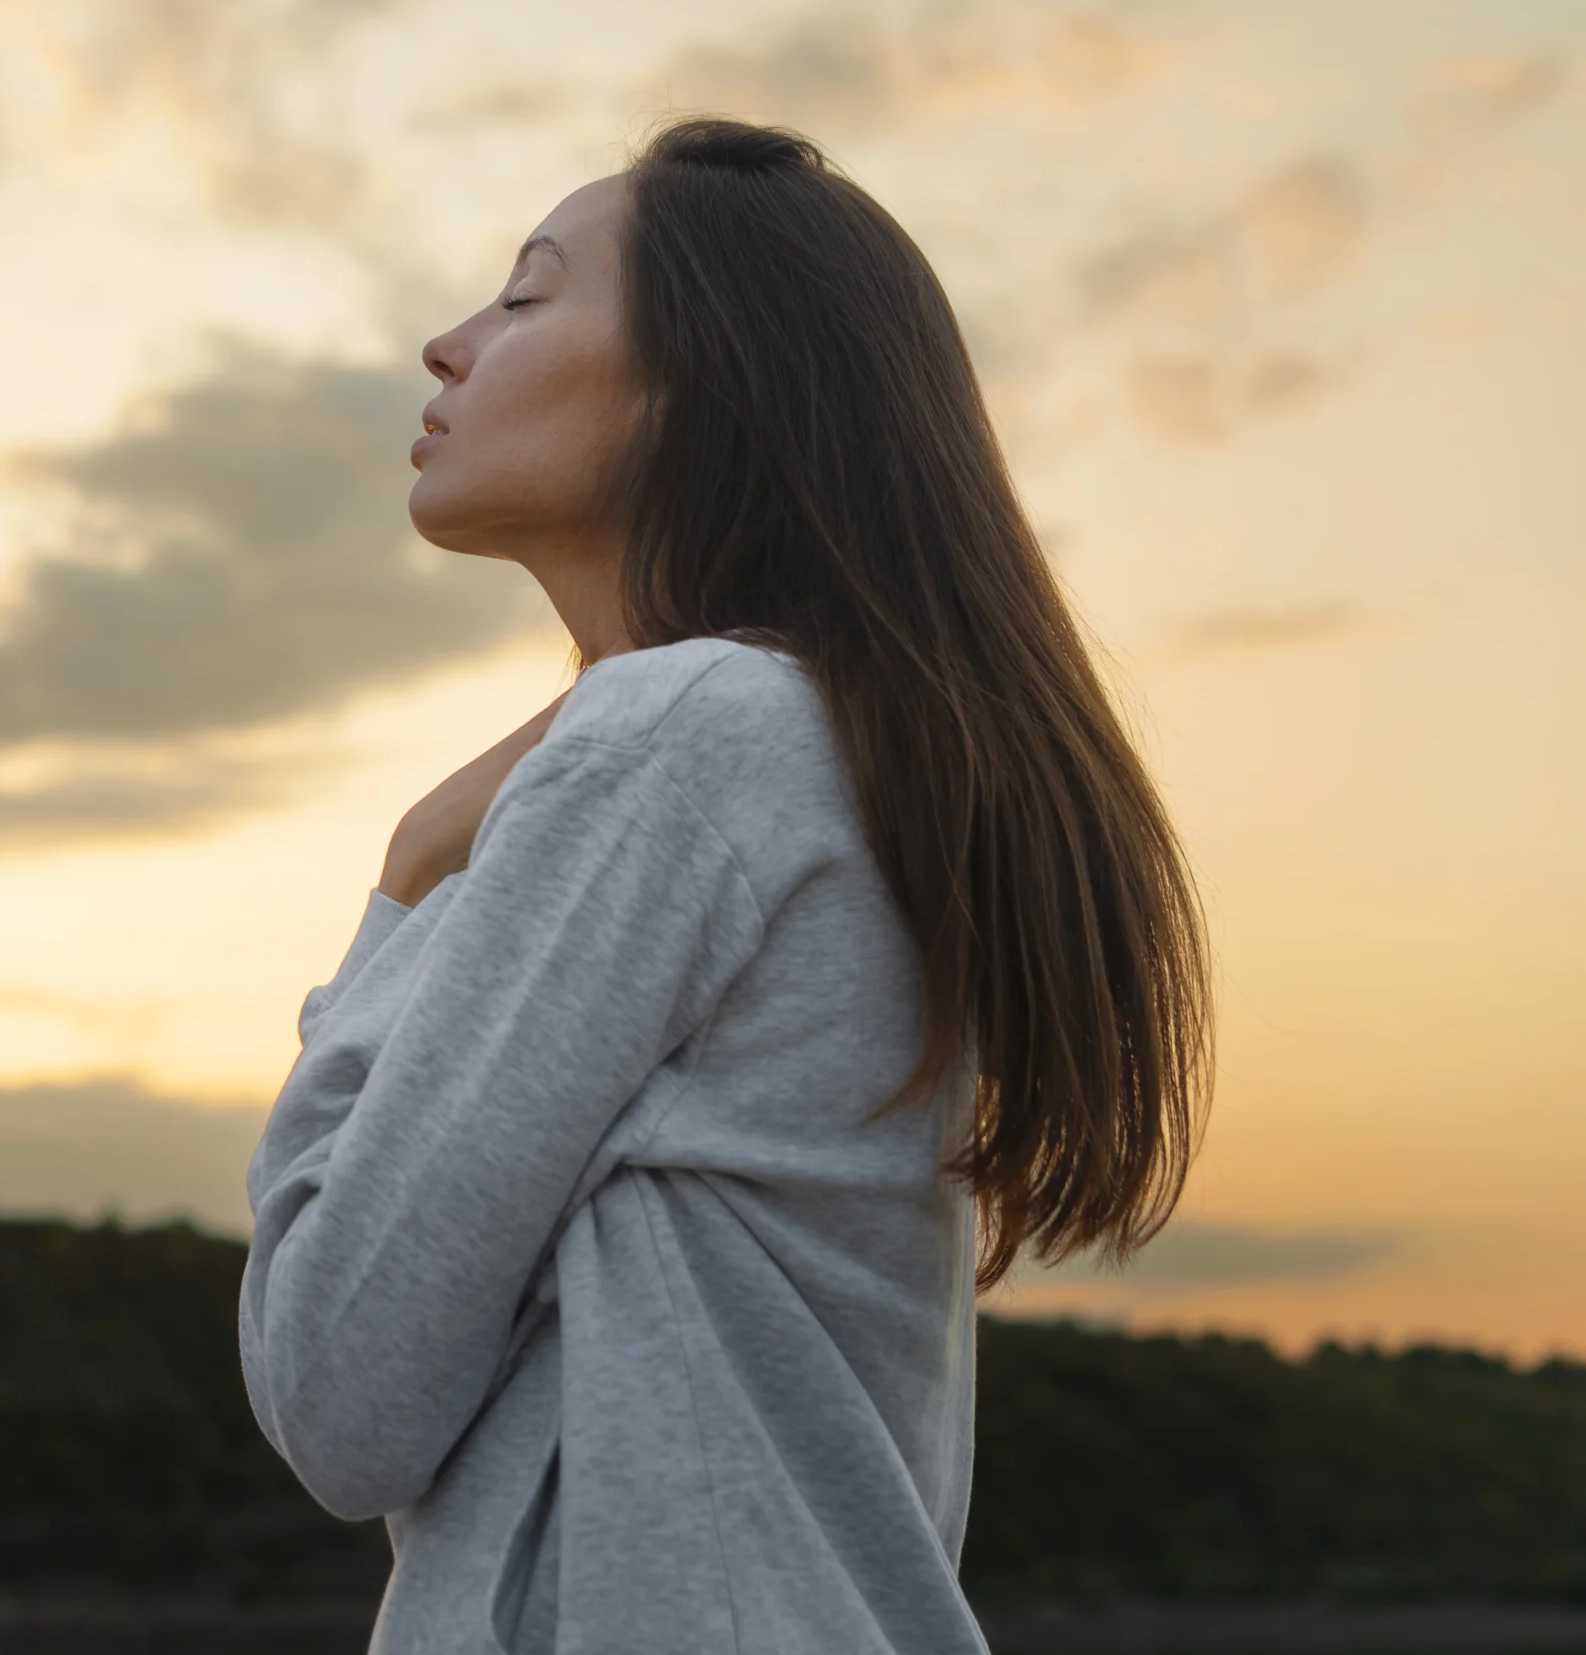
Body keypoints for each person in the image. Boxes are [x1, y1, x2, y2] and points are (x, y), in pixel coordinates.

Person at [237, 118, 1213, 1654]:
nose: (449, 344)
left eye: (526, 295)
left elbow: (338, 1389)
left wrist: (410, 882)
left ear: (699, 379)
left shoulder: (685, 737)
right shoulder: (837, 755)